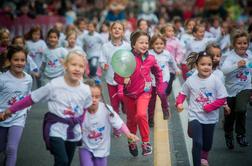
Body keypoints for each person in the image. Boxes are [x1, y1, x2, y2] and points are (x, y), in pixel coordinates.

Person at [0, 51, 92, 166]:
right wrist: (10, 110)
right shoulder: (54, 85)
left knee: (67, 162)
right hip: (56, 129)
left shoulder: (86, 90)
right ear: (65, 65)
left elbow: (85, 108)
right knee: (62, 161)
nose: (77, 69)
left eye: (81, 66)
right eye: (73, 64)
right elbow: (31, 98)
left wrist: (82, 124)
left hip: (73, 132)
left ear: (84, 69)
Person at [114, 30, 163, 156]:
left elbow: (158, 72)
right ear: (133, 44)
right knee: (131, 120)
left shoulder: (151, 58)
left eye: (146, 42)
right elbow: (116, 76)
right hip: (129, 94)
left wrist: (160, 85)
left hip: (144, 92)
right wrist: (122, 79)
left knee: (141, 114)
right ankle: (132, 141)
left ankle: (146, 143)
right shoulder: (126, 58)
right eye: (141, 42)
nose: (144, 45)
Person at [176, 51, 227, 166]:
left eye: (209, 64)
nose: (206, 67)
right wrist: (179, 103)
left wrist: (210, 107)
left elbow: (222, 98)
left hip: (210, 118)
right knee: (198, 142)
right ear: (196, 65)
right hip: (195, 116)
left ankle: (204, 156)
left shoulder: (215, 80)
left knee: (207, 144)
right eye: (203, 64)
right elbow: (182, 93)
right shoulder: (191, 80)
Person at [79, 79, 139, 166]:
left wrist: (128, 134)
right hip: (85, 147)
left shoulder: (106, 110)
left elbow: (119, 122)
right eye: (91, 96)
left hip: (102, 148)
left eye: (97, 97)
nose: (94, 100)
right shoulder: (80, 110)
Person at [0, 45, 33, 166]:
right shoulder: (2, 79)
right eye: (16, 59)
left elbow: (28, 95)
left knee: (12, 149)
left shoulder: (28, 79)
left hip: (18, 118)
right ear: (9, 60)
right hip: (2, 118)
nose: (20, 63)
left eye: (22, 60)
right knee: (2, 147)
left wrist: (27, 108)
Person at [221, 29, 252, 149]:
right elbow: (224, 70)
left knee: (241, 109)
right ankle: (228, 134)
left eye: (245, 43)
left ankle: (241, 134)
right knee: (230, 116)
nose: (242, 45)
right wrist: (236, 65)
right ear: (234, 44)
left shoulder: (250, 55)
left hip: (245, 87)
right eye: (239, 43)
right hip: (230, 90)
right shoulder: (230, 56)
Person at [147, 34, 179, 127]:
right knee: (151, 102)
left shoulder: (167, 53)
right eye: (156, 43)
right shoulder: (149, 53)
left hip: (163, 78)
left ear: (164, 45)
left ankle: (165, 108)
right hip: (151, 80)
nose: (159, 45)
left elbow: (172, 62)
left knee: (161, 93)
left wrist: (176, 69)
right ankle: (150, 119)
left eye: (161, 43)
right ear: (152, 45)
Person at [99, 21, 131, 114]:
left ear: (123, 32)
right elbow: (102, 60)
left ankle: (124, 104)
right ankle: (116, 124)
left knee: (121, 95)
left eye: (119, 28)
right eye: (114, 28)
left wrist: (128, 74)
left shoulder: (127, 46)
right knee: (114, 105)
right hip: (110, 79)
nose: (117, 30)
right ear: (110, 31)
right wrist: (104, 65)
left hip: (123, 78)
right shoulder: (105, 46)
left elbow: (131, 60)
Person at [160, 23, 183, 96]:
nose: (171, 32)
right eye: (169, 31)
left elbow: (180, 52)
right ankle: (163, 100)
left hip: (171, 67)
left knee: (169, 85)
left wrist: (177, 61)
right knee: (162, 84)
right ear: (164, 32)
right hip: (162, 66)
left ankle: (165, 98)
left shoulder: (176, 41)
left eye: (172, 31)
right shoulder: (161, 40)